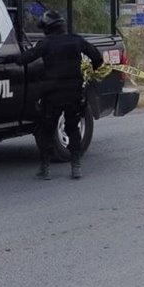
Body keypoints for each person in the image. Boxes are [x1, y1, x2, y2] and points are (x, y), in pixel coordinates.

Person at [21, 10, 103, 180]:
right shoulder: (76, 40)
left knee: (47, 130)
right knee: (73, 129)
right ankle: (76, 166)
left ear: (48, 28)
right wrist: (92, 71)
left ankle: (45, 168)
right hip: (73, 93)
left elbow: (26, 59)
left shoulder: (45, 44)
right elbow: (97, 57)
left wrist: (4, 59)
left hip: (52, 95)